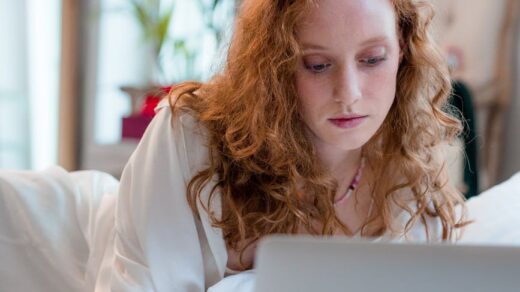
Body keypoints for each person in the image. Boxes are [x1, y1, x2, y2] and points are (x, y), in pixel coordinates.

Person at [107, 0, 469, 290]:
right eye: (317, 65)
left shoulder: (409, 167)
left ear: (403, 48)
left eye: (372, 59)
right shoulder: (188, 137)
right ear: (276, 64)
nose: (349, 94)